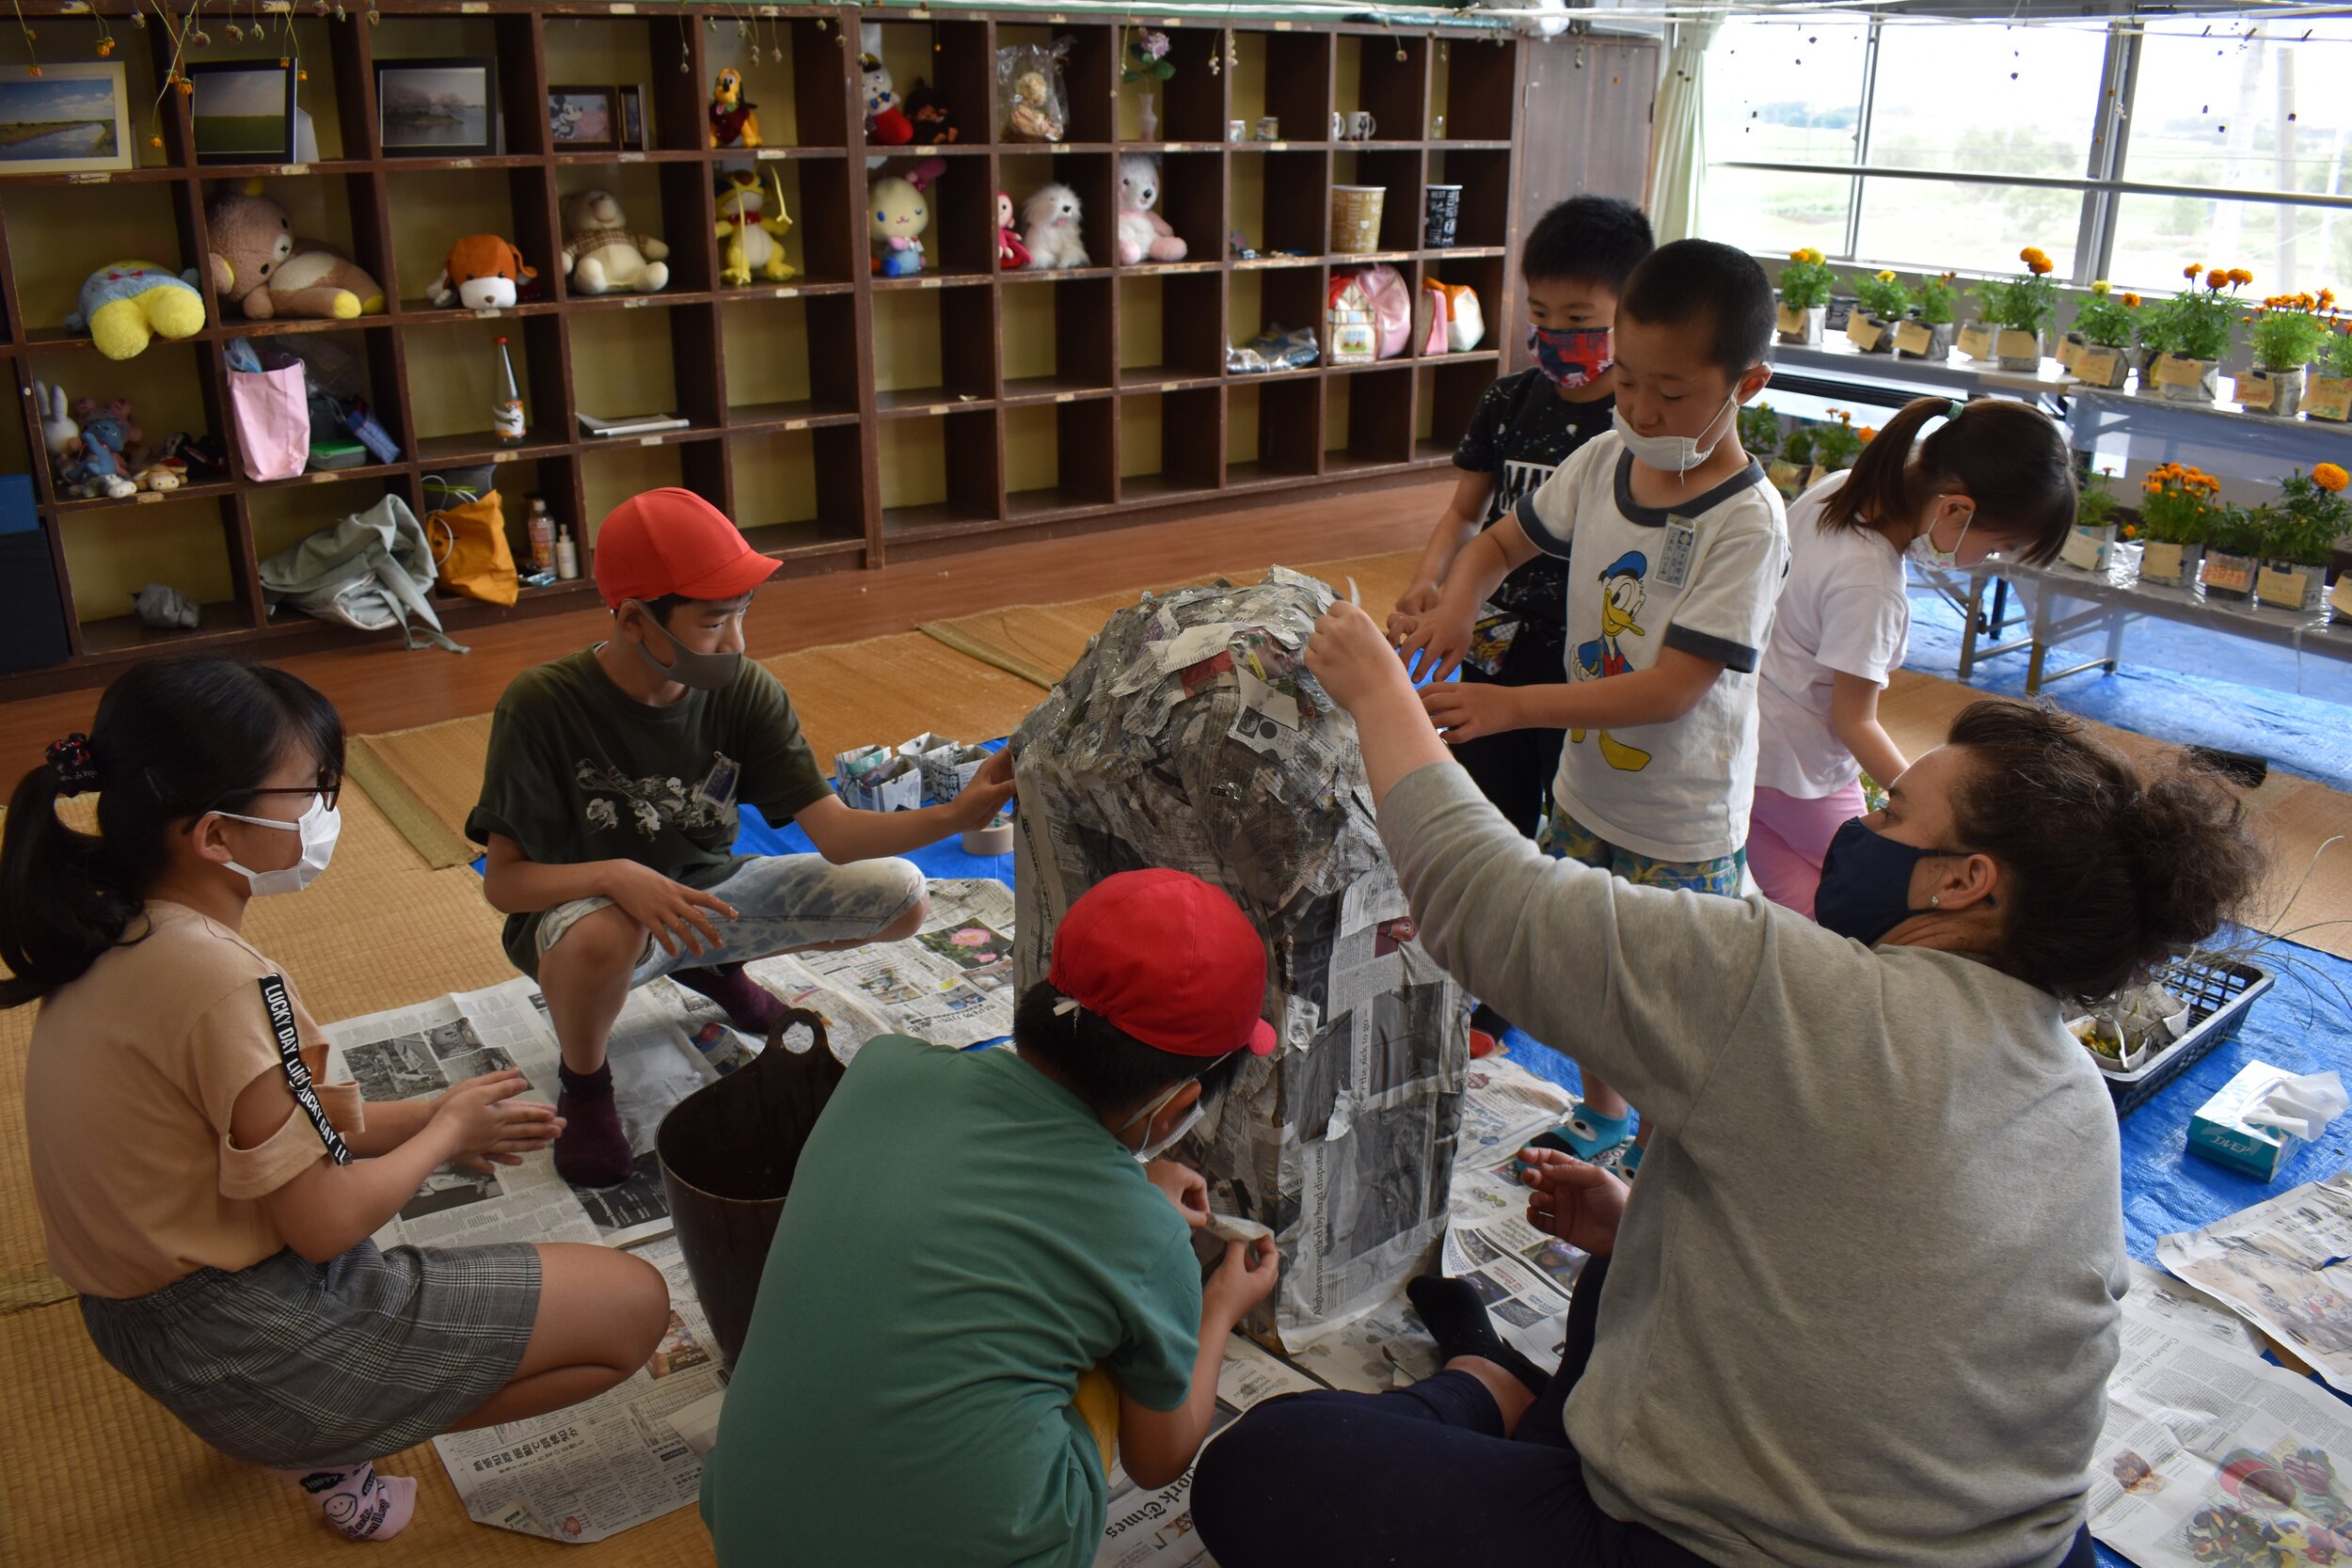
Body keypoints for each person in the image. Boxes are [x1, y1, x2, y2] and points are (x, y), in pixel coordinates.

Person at [1186, 598, 2264, 1568]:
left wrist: (1377, 685)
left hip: (1731, 1547)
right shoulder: (2071, 1084)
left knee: (1270, 1465)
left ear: (1963, 882)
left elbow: (1483, 897)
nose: (1859, 827)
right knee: (1637, 1251)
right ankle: (1532, 1393)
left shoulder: (1800, 990)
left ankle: (1489, 1389)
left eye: (1890, 814)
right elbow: (1889, 1248)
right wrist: (1636, 1228)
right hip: (2015, 1549)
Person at [1, 657, 669, 1543]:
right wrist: (441, 1140)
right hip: (242, 1337)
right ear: (214, 835)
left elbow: (271, 1128)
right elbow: (321, 1225)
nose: (324, 813)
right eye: (309, 791)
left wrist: (435, 1113)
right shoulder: (224, 980)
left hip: (141, 1326)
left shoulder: (116, 926)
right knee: (636, 1307)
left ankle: (316, 1418)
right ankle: (331, 1438)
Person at [700, 868, 1281, 1568]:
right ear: (1177, 1105)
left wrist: (1128, 1191)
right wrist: (1219, 1303)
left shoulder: (880, 1068)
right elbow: (1158, 1459)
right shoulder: (1145, 1237)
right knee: (1108, 1351)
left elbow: (1000, 1192)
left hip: (747, 1531)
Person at [467, 488, 1016, 1185]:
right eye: (713, 622)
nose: (737, 642)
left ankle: (712, 968)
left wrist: (957, 815)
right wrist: (613, 875)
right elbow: (505, 882)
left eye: (742, 614)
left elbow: (838, 835)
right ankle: (586, 1081)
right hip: (582, 925)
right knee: (610, 931)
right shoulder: (543, 703)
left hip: (705, 899)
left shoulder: (745, 691)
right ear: (635, 620)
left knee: (904, 896)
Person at [1394, 238, 1788, 1174]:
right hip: (1585, 792)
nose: (1644, 411)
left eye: (1673, 392)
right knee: (1585, 971)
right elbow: (1496, 544)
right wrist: (1455, 597)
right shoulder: (1605, 458)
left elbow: (1670, 689)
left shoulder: (1744, 520)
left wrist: (1509, 705)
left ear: (1747, 382)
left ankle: (1657, 1143)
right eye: (1628, 383)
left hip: (1681, 817)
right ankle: (1601, 1112)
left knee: (1664, 1003)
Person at [1388, 197, 1655, 843]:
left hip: (1591, 655)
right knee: (1487, 805)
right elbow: (1464, 512)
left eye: (1579, 318)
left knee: (1573, 813)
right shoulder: (1509, 400)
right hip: (1494, 636)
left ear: (1633, 313)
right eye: (1540, 314)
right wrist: (1431, 581)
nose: (1557, 333)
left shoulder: (1639, 425)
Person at [1751, 396, 2074, 917]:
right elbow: (1855, 721)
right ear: (1955, 509)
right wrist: (1924, 807)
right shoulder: (1870, 583)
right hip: (1803, 773)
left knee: (1799, 905)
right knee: (1875, 889)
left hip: (1750, 747)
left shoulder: (1837, 487)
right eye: (1994, 548)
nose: (1983, 562)